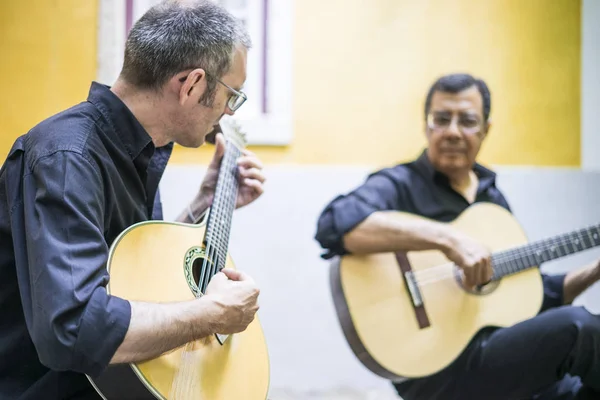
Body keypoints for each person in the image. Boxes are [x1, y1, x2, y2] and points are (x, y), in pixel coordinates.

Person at [0, 1, 267, 399]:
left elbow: (129, 271)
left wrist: (203, 203)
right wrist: (213, 313)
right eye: (233, 95)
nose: (229, 112)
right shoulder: (68, 157)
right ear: (191, 85)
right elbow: (75, 328)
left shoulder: (137, 149)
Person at [315, 73, 600, 400]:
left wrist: (593, 271)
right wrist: (450, 241)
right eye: (442, 119)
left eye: (467, 121)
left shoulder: (492, 199)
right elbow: (334, 223)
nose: (453, 131)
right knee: (580, 328)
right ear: (426, 126)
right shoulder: (400, 184)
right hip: (436, 372)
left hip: (501, 359)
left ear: (485, 130)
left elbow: (534, 297)